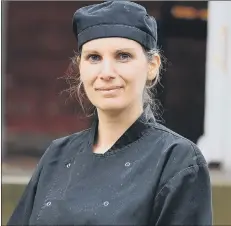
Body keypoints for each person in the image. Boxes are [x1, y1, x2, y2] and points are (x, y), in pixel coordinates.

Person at [8, 1, 212, 225]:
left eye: (123, 56)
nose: (106, 73)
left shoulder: (177, 161)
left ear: (152, 66)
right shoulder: (58, 155)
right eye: (94, 57)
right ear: (80, 67)